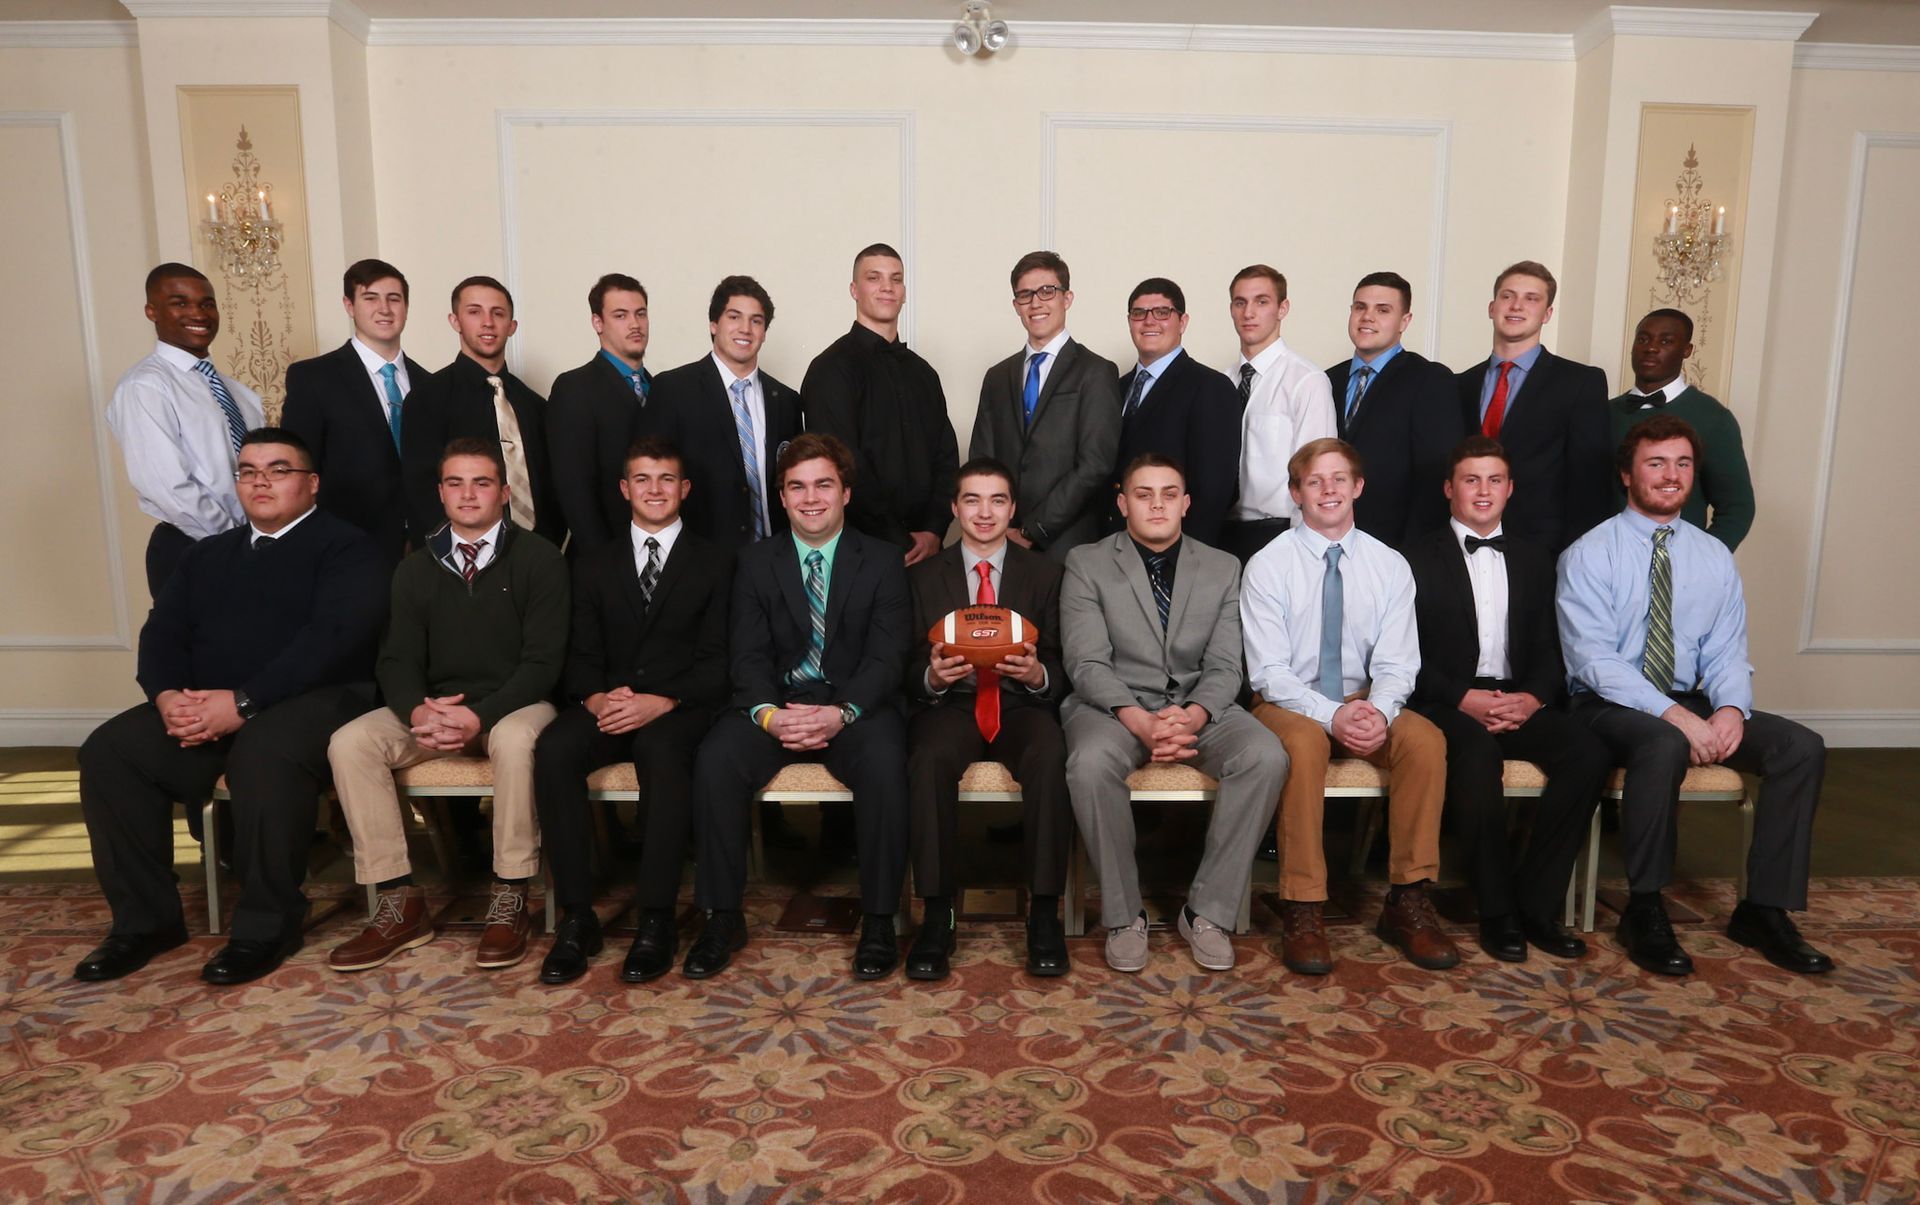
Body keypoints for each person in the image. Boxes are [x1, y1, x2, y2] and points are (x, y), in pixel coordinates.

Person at [73, 429, 385, 984]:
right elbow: (162, 633)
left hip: (323, 699)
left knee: (263, 752)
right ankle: (145, 922)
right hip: (212, 705)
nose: (260, 480)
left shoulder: (348, 548)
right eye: (248, 471)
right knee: (111, 751)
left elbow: (331, 641)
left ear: (311, 484)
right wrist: (168, 697)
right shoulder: (206, 555)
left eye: (278, 469)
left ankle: (269, 924)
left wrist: (244, 702)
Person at [1559, 414, 1832, 978]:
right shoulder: (1589, 552)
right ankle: (1646, 907)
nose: (1670, 475)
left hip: (1690, 699)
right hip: (1606, 706)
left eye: (1682, 464)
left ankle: (1763, 909)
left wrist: (1731, 708)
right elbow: (1594, 661)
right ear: (1627, 475)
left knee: (1800, 747)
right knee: (1662, 742)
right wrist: (1675, 715)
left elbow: (1727, 650)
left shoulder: (1712, 556)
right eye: (1655, 463)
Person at [326, 437, 568, 973]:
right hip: (436, 711)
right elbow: (395, 661)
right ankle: (398, 900)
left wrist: (478, 716)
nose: (468, 494)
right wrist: (420, 713)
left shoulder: (540, 559)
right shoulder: (414, 568)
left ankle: (510, 893)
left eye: (481, 482)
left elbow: (543, 664)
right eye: (455, 483)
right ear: (439, 493)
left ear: (504, 493)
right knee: (351, 741)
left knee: (515, 738)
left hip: (515, 705)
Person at [684, 434, 913, 981]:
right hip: (776, 706)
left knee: (885, 763)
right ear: (781, 498)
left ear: (846, 493)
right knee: (716, 759)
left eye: (823, 485)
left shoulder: (882, 560)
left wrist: (842, 713)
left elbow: (888, 656)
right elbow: (747, 655)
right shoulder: (755, 563)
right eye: (797, 487)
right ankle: (722, 916)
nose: (811, 498)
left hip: (853, 707)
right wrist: (768, 714)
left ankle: (880, 918)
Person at [1061, 454, 1288, 973]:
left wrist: (1193, 716)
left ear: (1186, 504)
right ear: (1122, 504)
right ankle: (1123, 915)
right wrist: (1140, 720)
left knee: (1265, 755)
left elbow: (1228, 663)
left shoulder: (1223, 566)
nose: (1157, 504)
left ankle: (1207, 911)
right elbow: (1086, 662)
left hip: (1199, 705)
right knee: (1089, 765)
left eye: (1169, 493)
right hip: (1112, 706)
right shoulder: (1086, 562)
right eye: (1143, 494)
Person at [1243, 438, 1458, 975]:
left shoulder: (1389, 565)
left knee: (1426, 741)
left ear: (1358, 487)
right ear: (1296, 493)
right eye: (1314, 481)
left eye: (1339, 479)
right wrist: (1330, 713)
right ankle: (1304, 904)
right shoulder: (1269, 565)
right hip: (1289, 700)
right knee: (1302, 744)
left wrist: (1378, 713)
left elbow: (1398, 662)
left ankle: (1408, 899)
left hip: (1365, 697)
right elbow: (1269, 672)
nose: (1329, 490)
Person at [533, 437, 731, 984]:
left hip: (680, 706)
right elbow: (579, 653)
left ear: (684, 489)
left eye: (667, 479)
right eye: (642, 480)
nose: (655, 490)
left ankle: (656, 918)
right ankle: (576, 917)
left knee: (661, 750)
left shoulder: (715, 561)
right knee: (553, 749)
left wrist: (663, 701)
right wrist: (595, 698)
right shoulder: (592, 562)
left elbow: (720, 662)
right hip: (608, 702)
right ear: (625, 489)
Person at [1405, 435, 1608, 962]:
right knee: (1476, 759)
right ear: (1450, 488)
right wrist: (1463, 698)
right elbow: (1401, 657)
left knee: (1587, 754)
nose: (1483, 490)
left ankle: (1536, 905)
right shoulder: (1412, 558)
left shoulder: (1535, 558)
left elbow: (1550, 645)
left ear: (1511, 489)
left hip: (1518, 698)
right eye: (1471, 479)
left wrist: (1534, 699)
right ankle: (1496, 912)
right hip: (1446, 703)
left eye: (1494, 480)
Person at [904, 458, 1071, 980]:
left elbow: (1071, 661)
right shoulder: (922, 577)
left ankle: (1043, 911)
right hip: (953, 705)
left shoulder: (1047, 573)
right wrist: (932, 677)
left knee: (1051, 755)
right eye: (972, 500)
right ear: (954, 508)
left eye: (997, 500)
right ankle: (937, 912)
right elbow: (902, 662)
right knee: (926, 758)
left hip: (1021, 703)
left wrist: (1039, 672)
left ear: (1012, 508)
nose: (984, 512)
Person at [107, 263, 265, 596]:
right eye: (179, 303)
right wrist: (234, 543)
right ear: (152, 311)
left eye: (207, 303)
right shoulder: (146, 387)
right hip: (193, 546)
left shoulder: (241, 394)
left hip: (252, 545)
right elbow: (166, 487)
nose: (198, 313)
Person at [804, 243, 959, 563]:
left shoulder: (924, 373)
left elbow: (946, 456)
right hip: (860, 549)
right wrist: (896, 539)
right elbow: (840, 463)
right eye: (874, 277)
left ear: (904, 292)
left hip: (928, 552)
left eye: (896, 279)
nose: (887, 287)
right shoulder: (831, 369)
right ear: (854, 290)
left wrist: (933, 531)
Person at [969, 251, 1121, 559]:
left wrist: (1032, 529)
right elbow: (982, 461)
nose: (1036, 303)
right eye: (1025, 294)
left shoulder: (1096, 371)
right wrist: (997, 527)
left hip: (1068, 543)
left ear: (1067, 298)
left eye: (1047, 291)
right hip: (1001, 543)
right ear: (1016, 305)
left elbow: (1096, 464)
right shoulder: (997, 376)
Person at [1455, 260, 1611, 553]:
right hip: (1463, 545)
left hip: (1542, 549)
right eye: (1508, 296)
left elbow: (1589, 484)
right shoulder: (1460, 384)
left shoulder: (1580, 382)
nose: (1516, 306)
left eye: (1531, 299)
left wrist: (1575, 558)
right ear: (1492, 308)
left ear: (1547, 313)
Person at [401, 275, 565, 548]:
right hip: (461, 559)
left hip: (534, 554)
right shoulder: (426, 399)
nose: (488, 322)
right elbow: (422, 493)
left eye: (498, 313)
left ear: (511, 326)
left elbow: (552, 487)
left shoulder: (534, 404)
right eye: (474, 312)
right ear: (455, 321)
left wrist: (545, 548)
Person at [283, 259, 427, 567]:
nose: (384, 309)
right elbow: (299, 470)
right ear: (349, 305)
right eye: (370, 298)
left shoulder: (430, 384)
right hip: (346, 547)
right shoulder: (313, 378)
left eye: (394, 298)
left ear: (406, 307)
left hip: (424, 549)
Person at [645, 275, 803, 552]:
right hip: (701, 556)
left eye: (756, 321)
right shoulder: (673, 390)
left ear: (764, 332)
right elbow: (651, 476)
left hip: (775, 553)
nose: (746, 329)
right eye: (734, 317)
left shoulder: (786, 400)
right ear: (714, 324)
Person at [1326, 271, 1462, 550]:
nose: (1368, 317)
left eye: (1383, 310)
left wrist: (1413, 552)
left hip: (1396, 545)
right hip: (1328, 541)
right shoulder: (1326, 380)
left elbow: (1435, 475)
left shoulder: (1430, 380)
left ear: (1405, 321)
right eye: (1360, 307)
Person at [1108, 277, 1243, 545]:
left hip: (1177, 551)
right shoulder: (1115, 387)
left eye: (1162, 312)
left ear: (1182, 322)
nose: (1149, 321)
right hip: (1115, 548)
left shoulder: (1210, 386)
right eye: (1139, 313)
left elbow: (1215, 490)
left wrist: (1184, 558)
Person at [1609, 308, 1755, 549]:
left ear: (1686, 351)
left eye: (1665, 341)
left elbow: (1737, 507)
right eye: (1643, 339)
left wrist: (1700, 559)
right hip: (1604, 560)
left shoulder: (1713, 418)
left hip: (1675, 565)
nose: (1651, 348)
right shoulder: (1604, 412)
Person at [1220, 264, 1336, 564]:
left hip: (1279, 534)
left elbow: (1318, 473)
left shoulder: (1306, 381)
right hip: (1221, 533)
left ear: (1282, 308)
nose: (1249, 313)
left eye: (1262, 301)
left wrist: (1305, 551)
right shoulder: (1222, 382)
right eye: (1240, 302)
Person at [547, 272, 656, 558]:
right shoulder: (575, 388)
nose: (634, 324)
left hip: (658, 554)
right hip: (602, 558)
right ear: (598, 322)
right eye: (620, 315)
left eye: (640, 314)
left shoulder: (660, 388)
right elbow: (574, 490)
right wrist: (605, 563)